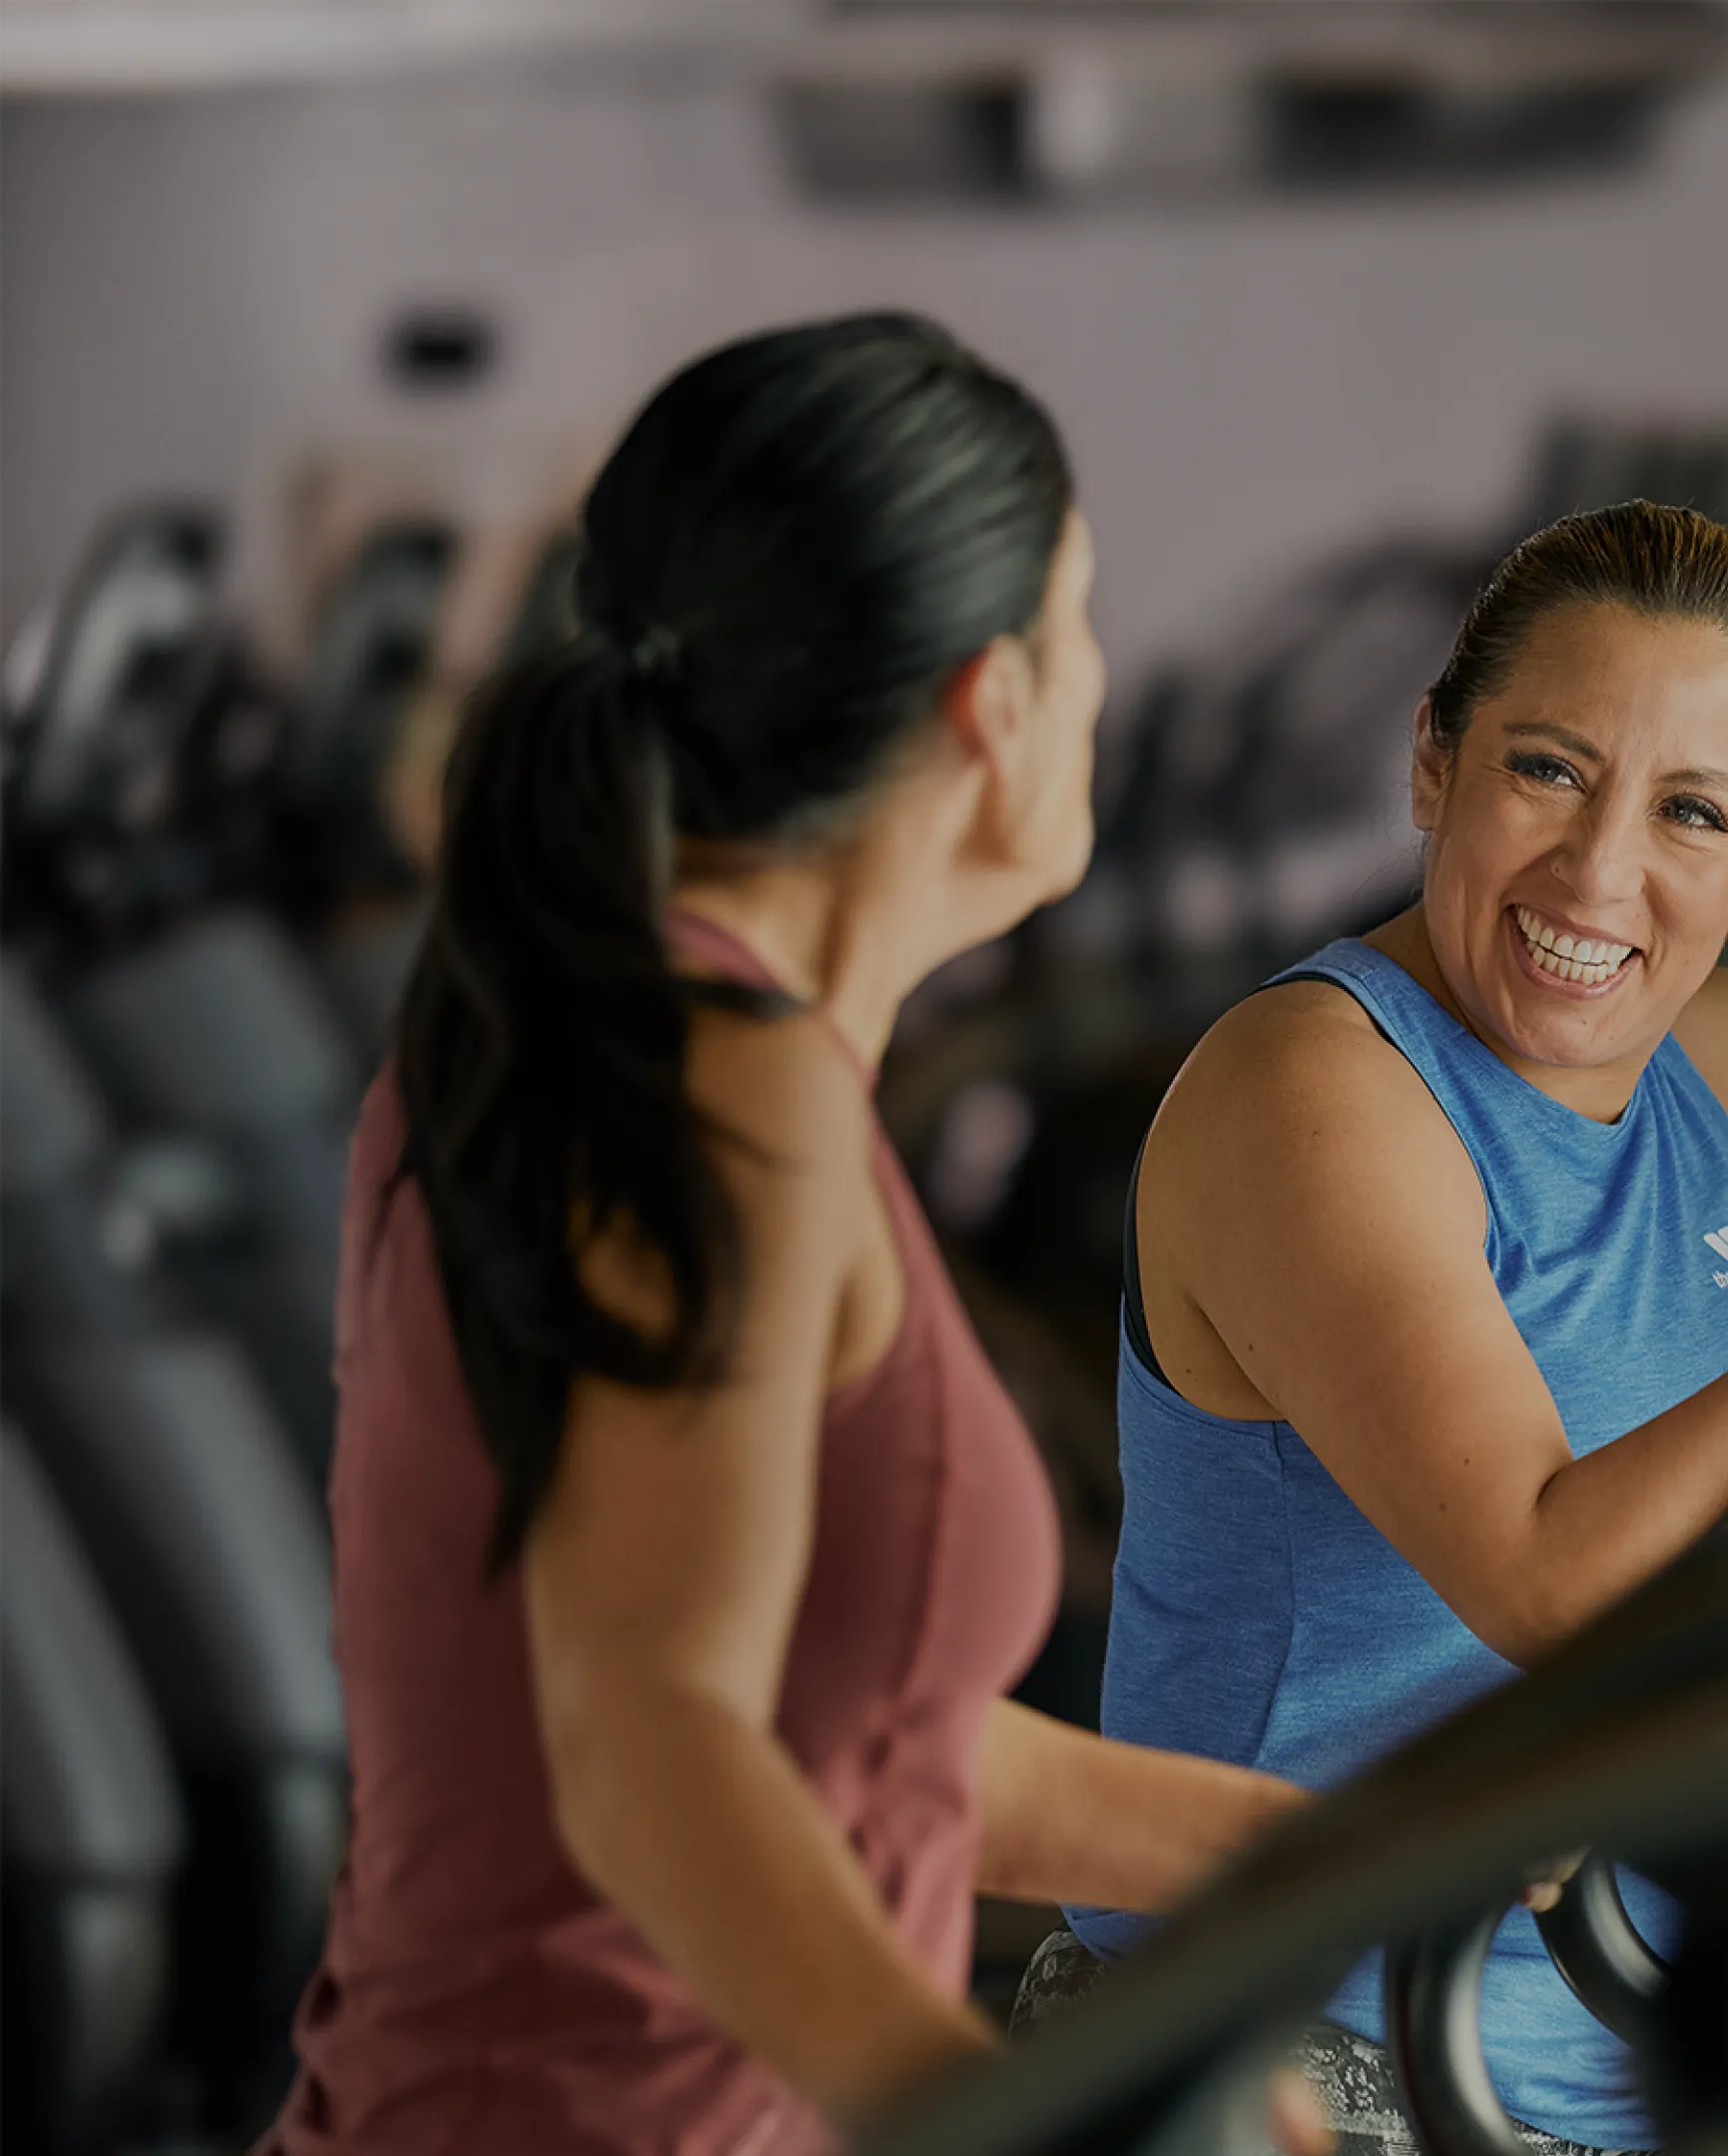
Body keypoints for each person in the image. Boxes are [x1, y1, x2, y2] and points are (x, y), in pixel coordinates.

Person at [265, 314, 1310, 2156]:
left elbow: (854, 1748)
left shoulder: (692, 1054)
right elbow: (653, 1734)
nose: (1095, 688)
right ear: (992, 701)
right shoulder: (715, 1087)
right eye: (1082, 626)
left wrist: (1334, 1849)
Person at [1021, 502, 1728, 2152]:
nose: (1600, 869)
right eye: (1549, 769)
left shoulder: (1723, 1072)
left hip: (1595, 2084)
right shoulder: (1317, 1093)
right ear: (1434, 762)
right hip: (1297, 2075)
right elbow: (1544, 1576)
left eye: (1692, 812)